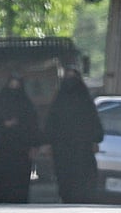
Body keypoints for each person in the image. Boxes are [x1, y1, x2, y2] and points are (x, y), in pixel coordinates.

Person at [44, 63, 103, 203]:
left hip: (82, 147)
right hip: (62, 147)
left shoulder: (85, 101)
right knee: (65, 175)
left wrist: (96, 139)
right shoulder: (59, 100)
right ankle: (67, 198)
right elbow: (51, 122)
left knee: (82, 175)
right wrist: (47, 142)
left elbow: (93, 121)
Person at [0, 73, 42, 203]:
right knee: (4, 172)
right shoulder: (1, 101)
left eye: (16, 84)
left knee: (20, 173)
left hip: (22, 146)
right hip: (5, 144)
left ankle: (19, 197)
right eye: (12, 84)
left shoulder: (26, 104)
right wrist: (4, 124)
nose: (14, 87)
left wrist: (35, 145)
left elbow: (33, 125)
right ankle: (2, 196)